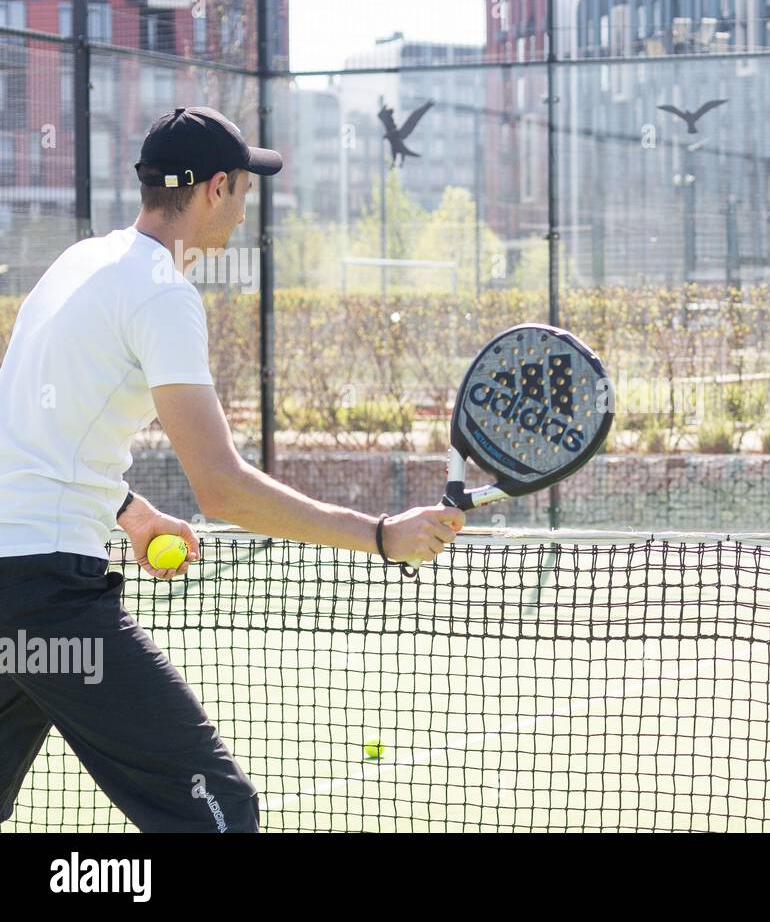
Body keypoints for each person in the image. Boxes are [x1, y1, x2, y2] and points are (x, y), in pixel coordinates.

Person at [0, 107, 464, 832]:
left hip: (14, 590)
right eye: (245, 190)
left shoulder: (79, 261)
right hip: (48, 595)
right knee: (219, 817)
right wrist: (379, 534)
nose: (246, 211)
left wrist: (128, 512)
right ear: (215, 189)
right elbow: (222, 488)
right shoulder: (163, 292)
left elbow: (25, 437)